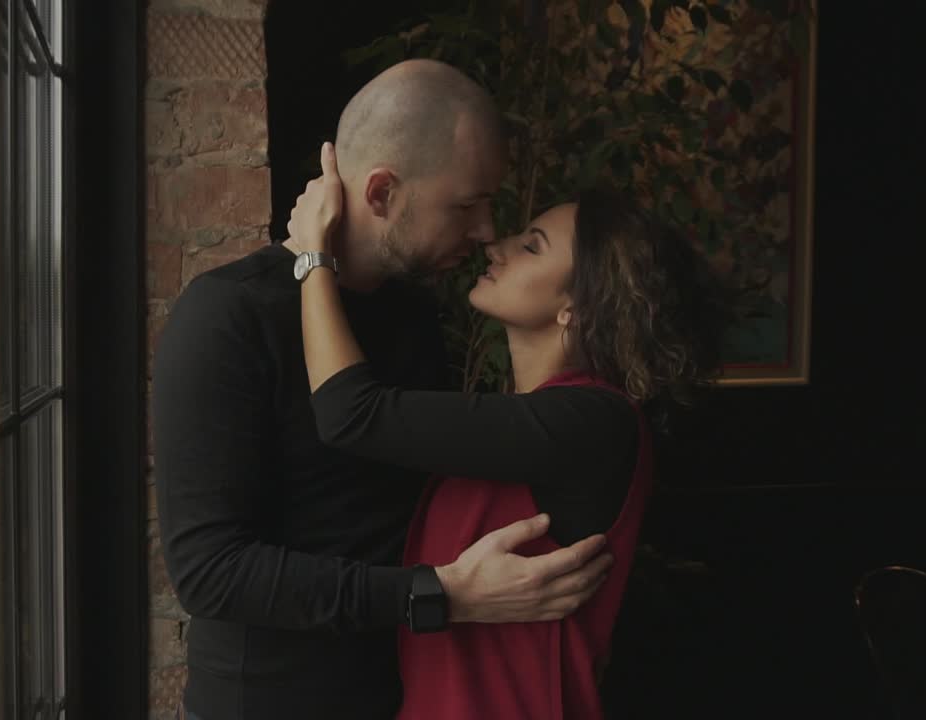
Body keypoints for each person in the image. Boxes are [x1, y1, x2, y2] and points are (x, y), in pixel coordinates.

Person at [153, 59, 616, 720]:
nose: (488, 230)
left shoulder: (415, 313)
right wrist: (440, 594)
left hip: (403, 695)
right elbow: (210, 571)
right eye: (467, 204)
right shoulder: (227, 316)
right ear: (380, 193)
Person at [288, 139, 724, 718]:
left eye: (532, 246)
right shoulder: (525, 421)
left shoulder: (595, 422)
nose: (497, 244)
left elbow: (351, 413)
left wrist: (313, 254)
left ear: (579, 307)